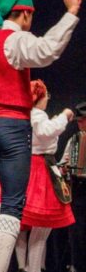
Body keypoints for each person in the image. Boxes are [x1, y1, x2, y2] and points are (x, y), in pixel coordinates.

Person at [0, 0, 81, 272]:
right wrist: (70, 14)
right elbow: (47, 50)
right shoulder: (15, 39)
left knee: (6, 195)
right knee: (13, 204)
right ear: (25, 14)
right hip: (11, 125)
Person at [0, 80, 74, 272]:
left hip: (23, 165)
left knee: (10, 212)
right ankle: (28, 268)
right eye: (47, 95)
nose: (47, 99)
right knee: (39, 225)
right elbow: (46, 131)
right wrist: (65, 116)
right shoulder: (37, 115)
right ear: (40, 97)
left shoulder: (21, 116)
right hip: (38, 168)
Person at [60, 102, 86, 272]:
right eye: (78, 121)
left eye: (83, 120)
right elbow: (64, 161)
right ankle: (78, 266)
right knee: (78, 232)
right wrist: (64, 166)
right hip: (79, 188)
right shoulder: (75, 140)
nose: (79, 124)